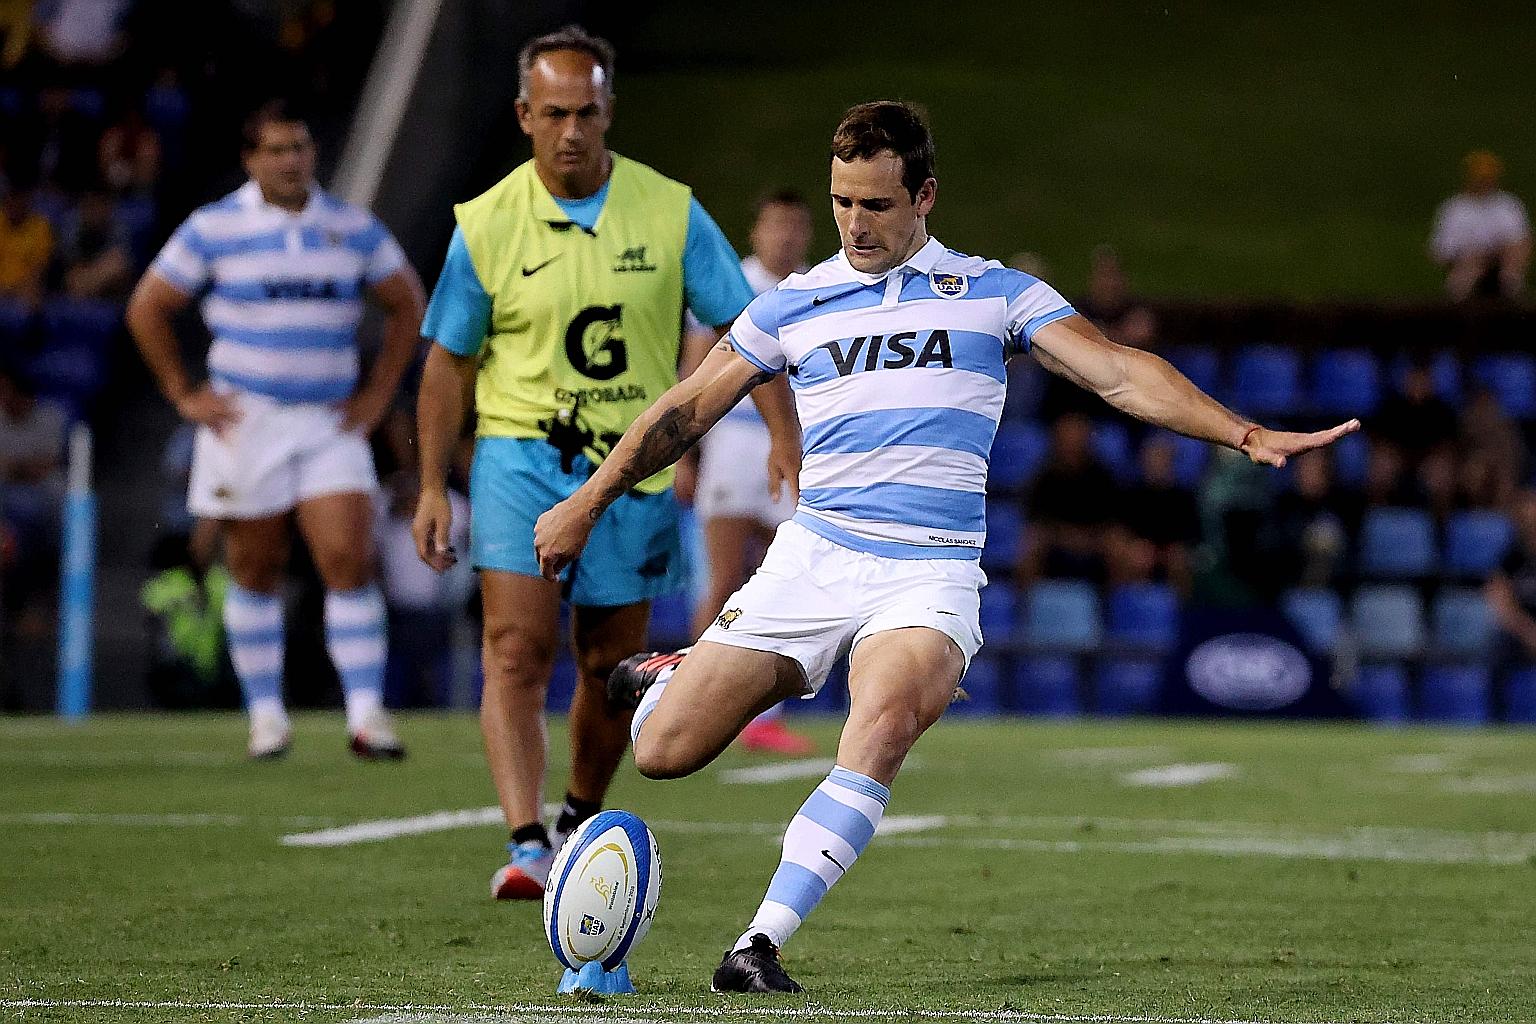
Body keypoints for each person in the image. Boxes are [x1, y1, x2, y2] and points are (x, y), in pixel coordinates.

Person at [533, 100, 1359, 993]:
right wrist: (588, 500)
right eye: (842, 202)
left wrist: (1242, 433)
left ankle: (757, 943)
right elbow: (689, 406)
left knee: (884, 720)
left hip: (926, 571)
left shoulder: (995, 294)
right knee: (664, 753)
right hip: (813, 557)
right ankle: (675, 676)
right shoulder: (794, 301)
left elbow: (1119, 372)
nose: (855, 223)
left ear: (925, 196)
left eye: (876, 204)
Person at [411, 25, 798, 901]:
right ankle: (524, 842)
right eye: (554, 114)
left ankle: (576, 818)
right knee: (515, 647)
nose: (572, 131)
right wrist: (432, 483)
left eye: (586, 113)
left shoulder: (670, 210)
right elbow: (447, 362)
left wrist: (783, 433)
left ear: (609, 111)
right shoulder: (486, 224)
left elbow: (746, 329)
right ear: (524, 115)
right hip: (519, 456)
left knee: (607, 664)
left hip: (632, 467)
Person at [125, 99, 425, 760]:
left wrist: (378, 394)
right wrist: (182, 392)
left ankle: (367, 714)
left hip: (329, 421)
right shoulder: (214, 227)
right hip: (248, 418)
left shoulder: (351, 226)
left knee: (349, 558)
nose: (292, 161)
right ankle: (265, 715)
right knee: (254, 565)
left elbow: (407, 303)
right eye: (278, 150)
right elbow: (148, 305)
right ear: (250, 159)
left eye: (301, 148)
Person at [685, 188, 815, 756]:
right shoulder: (730, 284)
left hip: (794, 442)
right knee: (722, 580)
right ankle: (693, 703)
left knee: (785, 581)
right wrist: (684, 454)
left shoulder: (819, 286)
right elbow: (694, 371)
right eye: (776, 225)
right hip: (734, 439)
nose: (785, 237)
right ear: (756, 232)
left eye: (795, 226)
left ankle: (762, 715)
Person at [1429, 150, 1530, 301]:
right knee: (1467, 269)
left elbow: (1521, 241)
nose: (1484, 183)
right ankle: (1458, 303)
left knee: (1513, 256)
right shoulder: (1454, 208)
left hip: (1500, 263)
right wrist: (1472, 256)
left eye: (1488, 178)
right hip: (1467, 265)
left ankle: (1511, 293)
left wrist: (1494, 255)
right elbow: (1440, 251)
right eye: (1481, 178)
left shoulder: (1508, 205)